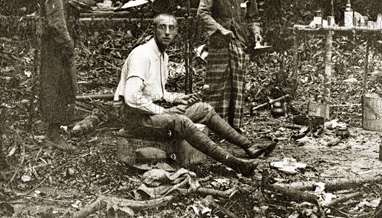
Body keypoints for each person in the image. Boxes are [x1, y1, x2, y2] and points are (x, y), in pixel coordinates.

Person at [114, 13, 276, 177]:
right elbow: (132, 97)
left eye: (172, 28)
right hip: (135, 119)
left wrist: (177, 98)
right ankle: (236, 164)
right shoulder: (142, 55)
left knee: (204, 109)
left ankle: (249, 146)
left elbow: (156, 92)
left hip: (150, 113)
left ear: (177, 31)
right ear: (153, 29)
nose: (167, 32)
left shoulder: (162, 55)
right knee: (181, 121)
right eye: (162, 27)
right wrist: (164, 111)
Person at [197, 0, 262, 130]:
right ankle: (214, 125)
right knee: (217, 86)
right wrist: (219, 29)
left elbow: (253, 18)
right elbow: (203, 12)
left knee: (237, 86)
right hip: (219, 44)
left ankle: (234, 127)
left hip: (239, 44)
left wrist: (256, 32)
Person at [39, 0, 79, 150]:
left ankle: (55, 132)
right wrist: (67, 43)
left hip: (58, 43)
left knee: (62, 86)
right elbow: (56, 19)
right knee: (55, 87)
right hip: (55, 44)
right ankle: (53, 136)